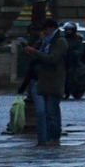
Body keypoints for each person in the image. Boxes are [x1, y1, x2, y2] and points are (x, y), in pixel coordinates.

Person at [23, 17, 66, 146]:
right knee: (45, 112)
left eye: (46, 29)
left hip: (53, 80)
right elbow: (37, 56)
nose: (44, 31)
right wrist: (37, 44)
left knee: (52, 111)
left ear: (52, 28)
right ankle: (45, 139)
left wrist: (35, 52)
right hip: (43, 79)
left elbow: (52, 59)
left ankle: (54, 138)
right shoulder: (45, 41)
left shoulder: (60, 41)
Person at [61, 22, 85, 100]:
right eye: (67, 30)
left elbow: (80, 50)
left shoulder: (77, 40)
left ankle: (70, 89)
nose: (68, 31)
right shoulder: (62, 39)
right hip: (63, 60)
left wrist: (73, 53)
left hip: (73, 62)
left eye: (70, 30)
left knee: (71, 75)